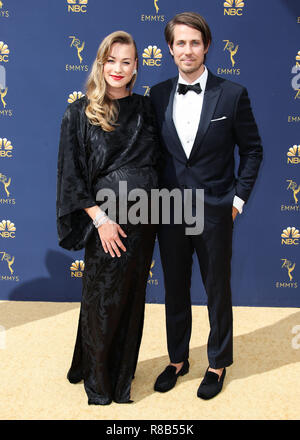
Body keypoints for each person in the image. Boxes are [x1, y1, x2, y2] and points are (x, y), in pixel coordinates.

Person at [150, 12, 263, 399]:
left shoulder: (232, 94)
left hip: (214, 209)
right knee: (175, 289)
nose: (187, 50)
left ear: (207, 46)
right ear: (170, 49)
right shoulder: (158, 94)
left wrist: (236, 201)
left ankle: (217, 363)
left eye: (194, 42)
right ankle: (177, 359)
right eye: (180, 43)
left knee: (217, 289)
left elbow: (252, 150)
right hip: (169, 211)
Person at [56, 31, 160, 405]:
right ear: (100, 63)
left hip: (144, 221)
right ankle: (99, 385)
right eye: (111, 60)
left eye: (126, 61)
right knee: (102, 299)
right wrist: (100, 220)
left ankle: (121, 375)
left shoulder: (148, 108)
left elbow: (161, 162)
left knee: (131, 299)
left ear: (136, 67)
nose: (118, 68)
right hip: (107, 223)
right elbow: (72, 176)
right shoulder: (79, 112)